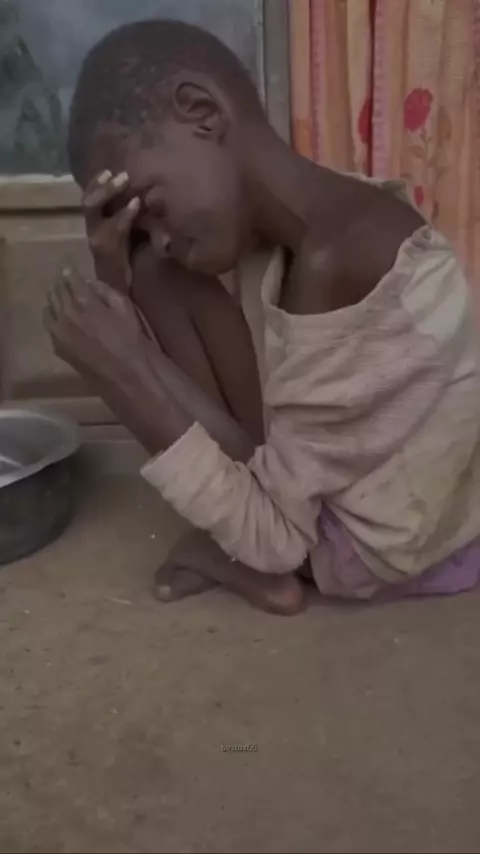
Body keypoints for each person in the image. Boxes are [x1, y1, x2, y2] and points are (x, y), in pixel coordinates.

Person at [45, 20, 480, 615]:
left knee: (135, 345)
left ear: (202, 111)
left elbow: (279, 539)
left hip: (372, 548)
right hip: (401, 495)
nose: (162, 237)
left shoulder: (338, 263)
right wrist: (114, 271)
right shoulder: (327, 213)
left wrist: (122, 375)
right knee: (154, 272)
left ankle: (246, 564)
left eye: (154, 207)